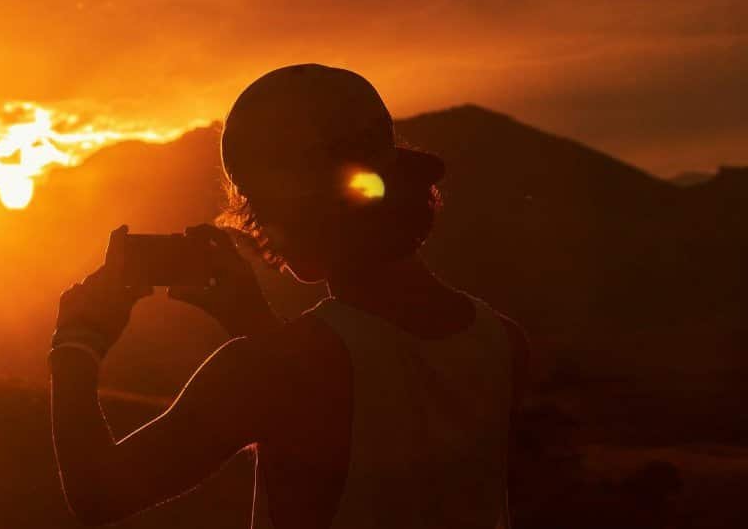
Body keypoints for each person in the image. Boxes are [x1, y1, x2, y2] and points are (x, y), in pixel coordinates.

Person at [49, 64, 530, 528]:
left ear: (289, 215)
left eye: (257, 209)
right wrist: (251, 318)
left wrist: (76, 342)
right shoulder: (505, 344)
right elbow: (367, 409)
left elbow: (98, 493)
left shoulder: (267, 369)